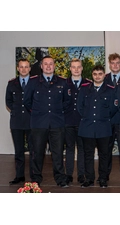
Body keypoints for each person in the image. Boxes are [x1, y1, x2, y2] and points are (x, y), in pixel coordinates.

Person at [23, 55, 70, 187]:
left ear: (54, 66)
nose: (48, 66)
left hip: (57, 123)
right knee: (37, 153)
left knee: (58, 153)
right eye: (46, 64)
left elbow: (67, 102)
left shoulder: (62, 82)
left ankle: (60, 179)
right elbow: (27, 101)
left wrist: (58, 111)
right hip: (39, 124)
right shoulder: (33, 82)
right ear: (41, 66)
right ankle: (36, 179)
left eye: (51, 64)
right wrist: (37, 113)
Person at [78, 65, 118, 188]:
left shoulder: (111, 90)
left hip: (103, 127)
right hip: (87, 127)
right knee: (88, 155)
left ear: (104, 75)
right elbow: (80, 107)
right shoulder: (84, 89)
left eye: (100, 74)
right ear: (92, 75)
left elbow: (113, 108)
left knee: (104, 155)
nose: (97, 76)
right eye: (95, 74)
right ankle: (89, 179)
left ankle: (102, 179)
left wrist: (102, 118)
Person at [64, 58, 92, 185]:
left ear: (82, 68)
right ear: (70, 68)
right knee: (69, 149)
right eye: (73, 67)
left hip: (83, 123)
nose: (76, 69)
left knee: (82, 149)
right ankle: (68, 174)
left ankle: (81, 175)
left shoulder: (88, 84)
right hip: (68, 122)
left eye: (78, 67)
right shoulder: (64, 83)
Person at [6, 59, 33, 185]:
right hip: (16, 122)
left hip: (31, 121)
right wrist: (17, 111)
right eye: (21, 67)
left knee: (33, 150)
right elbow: (8, 101)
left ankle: (34, 176)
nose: (23, 69)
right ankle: (19, 176)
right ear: (18, 68)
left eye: (26, 67)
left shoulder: (35, 83)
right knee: (19, 151)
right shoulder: (11, 83)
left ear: (30, 68)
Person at [104, 53, 120, 182]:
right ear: (109, 64)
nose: (115, 65)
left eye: (118, 63)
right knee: (106, 150)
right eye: (113, 63)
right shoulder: (103, 78)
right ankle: (105, 176)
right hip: (107, 121)